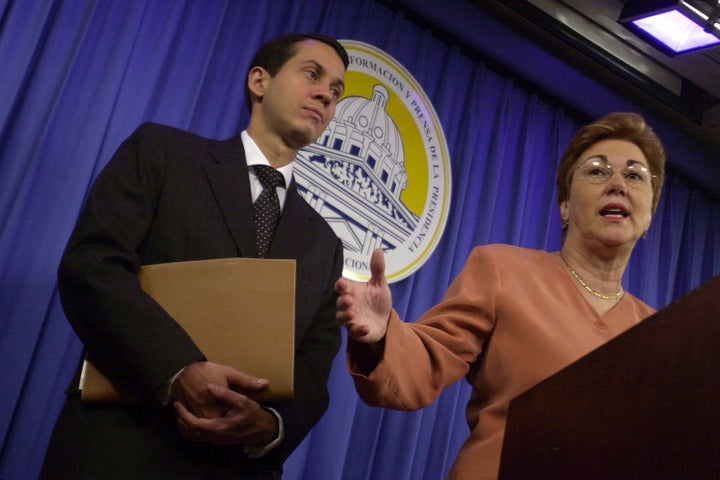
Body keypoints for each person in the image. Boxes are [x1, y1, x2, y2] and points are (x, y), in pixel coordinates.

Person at [41, 33, 348, 480]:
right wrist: (178, 368)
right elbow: (93, 267)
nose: (326, 93)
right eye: (312, 75)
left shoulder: (326, 244)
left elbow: (315, 371)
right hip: (121, 447)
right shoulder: (163, 153)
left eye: (336, 91)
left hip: (234, 467)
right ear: (259, 81)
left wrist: (270, 426)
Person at [335, 112, 665, 479]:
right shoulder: (502, 270)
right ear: (565, 207)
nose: (617, 183)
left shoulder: (663, 334)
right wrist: (383, 336)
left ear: (649, 215)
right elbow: (427, 358)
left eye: (635, 175)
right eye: (597, 171)